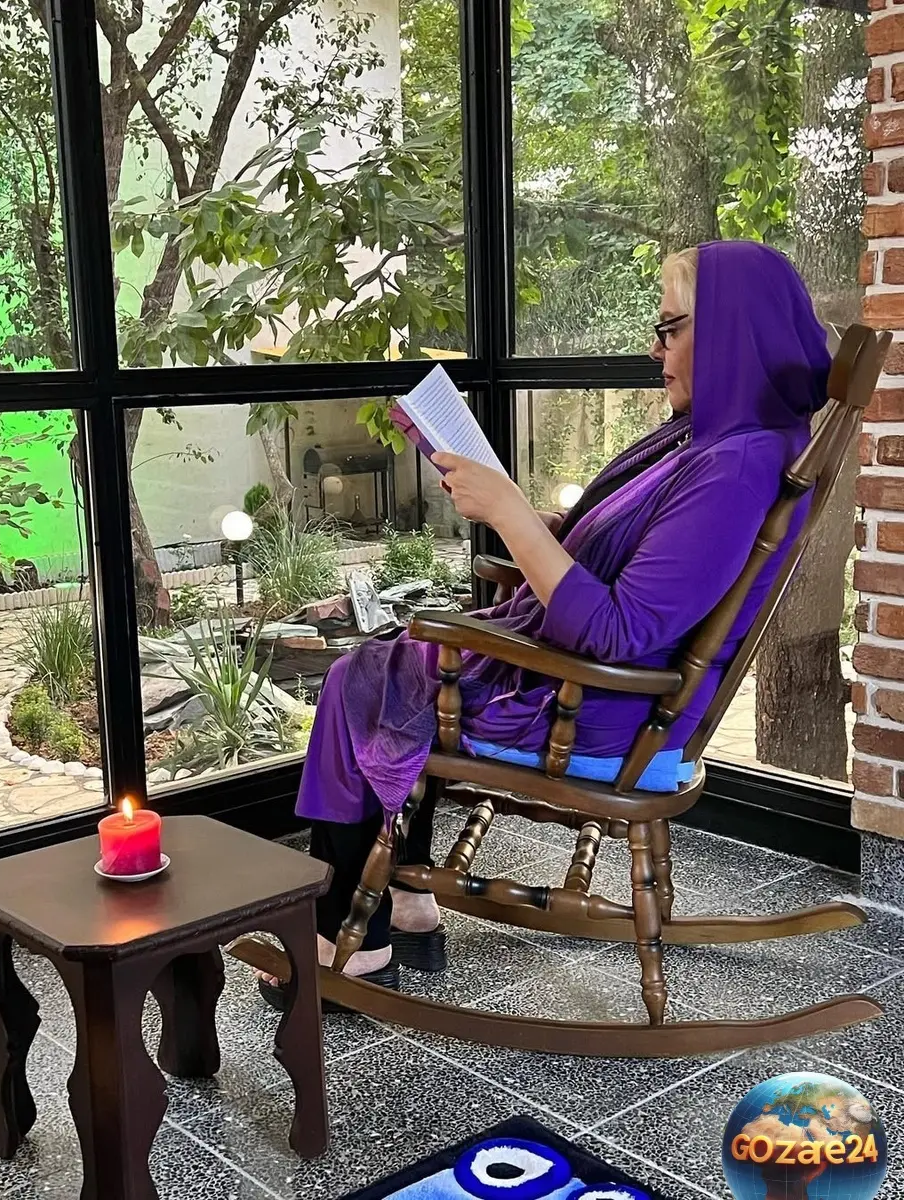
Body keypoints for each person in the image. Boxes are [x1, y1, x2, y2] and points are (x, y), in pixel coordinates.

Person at [257, 240, 831, 1006]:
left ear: (729, 332)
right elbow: (646, 562)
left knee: (358, 678)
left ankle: (346, 942)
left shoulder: (736, 465)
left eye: (670, 328)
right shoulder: (716, 436)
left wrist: (508, 514)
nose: (654, 348)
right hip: (603, 687)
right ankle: (410, 902)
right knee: (391, 664)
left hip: (601, 704)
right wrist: (560, 530)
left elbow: (620, 630)